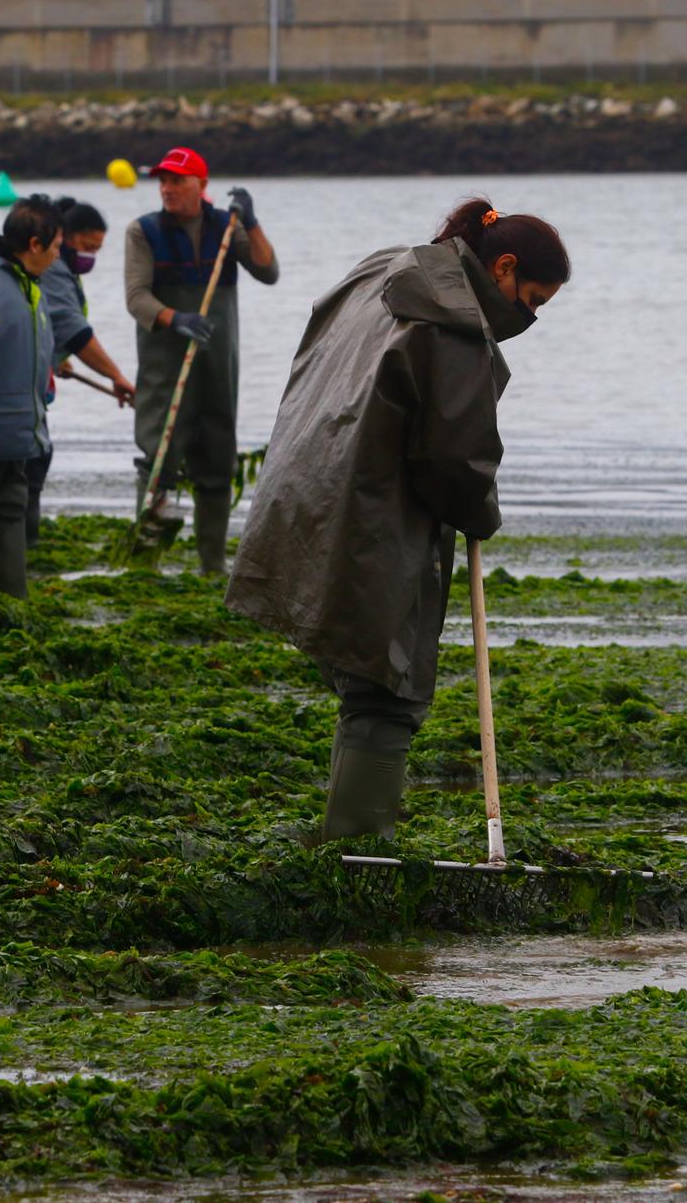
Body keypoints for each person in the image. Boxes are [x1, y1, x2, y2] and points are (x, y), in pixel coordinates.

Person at [224, 199, 570, 842]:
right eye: (532, 299)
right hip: (373, 514)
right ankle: (359, 850)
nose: (531, 316)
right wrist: (480, 512)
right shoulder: (455, 323)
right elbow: (453, 457)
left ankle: (343, 838)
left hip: (310, 484)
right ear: (503, 266)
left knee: (364, 682)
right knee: (390, 686)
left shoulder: (387, 269)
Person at [0, 199, 131, 600]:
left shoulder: (30, 282)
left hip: (20, 425)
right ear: (35, 244)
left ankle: (10, 596)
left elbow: (35, 342)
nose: (60, 255)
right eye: (57, 246)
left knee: (12, 508)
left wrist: (46, 376)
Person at [123, 145, 279, 575]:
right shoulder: (144, 231)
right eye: (163, 180)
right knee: (158, 459)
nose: (167, 188)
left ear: (201, 185)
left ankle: (212, 565)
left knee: (216, 460)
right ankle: (144, 564)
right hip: (163, 364)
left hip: (217, 364)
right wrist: (176, 319)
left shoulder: (226, 228)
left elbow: (268, 271)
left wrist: (251, 220)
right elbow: (137, 298)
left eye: (177, 180)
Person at [28, 195, 136, 542]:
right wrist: (116, 376)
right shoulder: (55, 268)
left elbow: (49, 322)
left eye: (98, 249)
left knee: (34, 456)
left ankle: (21, 541)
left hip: (37, 371)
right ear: (66, 235)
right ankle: (21, 542)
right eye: (88, 246)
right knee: (34, 456)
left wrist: (55, 355)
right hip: (24, 381)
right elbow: (74, 330)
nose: (91, 256)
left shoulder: (62, 268)